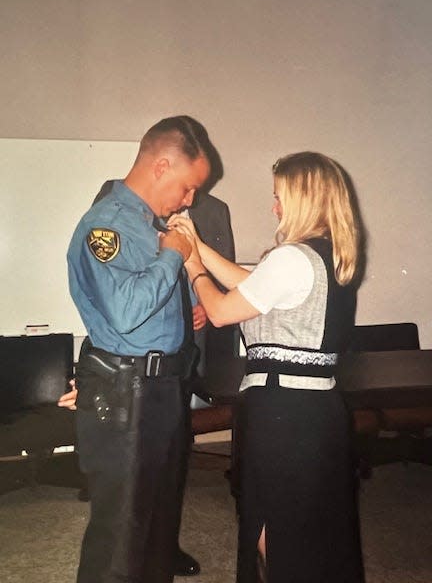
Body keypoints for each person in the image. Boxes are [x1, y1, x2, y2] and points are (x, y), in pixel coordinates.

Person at [168, 151, 365, 583]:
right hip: (315, 411)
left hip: (283, 413)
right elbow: (252, 284)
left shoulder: (292, 257)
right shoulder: (325, 255)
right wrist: (199, 245)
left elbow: (220, 311)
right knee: (306, 526)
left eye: (279, 197)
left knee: (273, 528)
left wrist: (191, 264)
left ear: (303, 199)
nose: (274, 206)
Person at [61, 181, 235, 576]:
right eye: (186, 184)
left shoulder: (212, 210)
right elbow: (113, 301)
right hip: (129, 377)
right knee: (122, 524)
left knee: (162, 488)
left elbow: (201, 281)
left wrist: (198, 306)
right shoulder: (110, 211)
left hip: (173, 369)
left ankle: (163, 548)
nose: (190, 198)